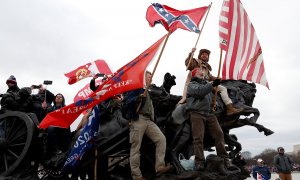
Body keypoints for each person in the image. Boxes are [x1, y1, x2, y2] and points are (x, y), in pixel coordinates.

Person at [123, 71, 171, 180]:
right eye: (149, 76)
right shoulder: (136, 88)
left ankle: (159, 167)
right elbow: (126, 102)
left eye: (151, 76)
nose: (151, 78)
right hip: (138, 119)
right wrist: (137, 98)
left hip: (149, 120)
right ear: (143, 77)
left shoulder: (147, 90)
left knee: (161, 139)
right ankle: (137, 176)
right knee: (136, 148)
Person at [186, 67, 232, 172]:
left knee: (219, 134)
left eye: (202, 72)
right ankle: (199, 162)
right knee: (198, 138)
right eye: (198, 72)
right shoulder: (192, 85)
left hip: (210, 114)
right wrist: (212, 84)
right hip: (197, 113)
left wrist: (216, 83)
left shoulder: (206, 84)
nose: (201, 73)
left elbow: (210, 95)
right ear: (193, 75)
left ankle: (225, 160)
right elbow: (200, 92)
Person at [179, 48, 243, 116]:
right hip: (195, 85)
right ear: (199, 56)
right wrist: (191, 53)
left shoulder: (207, 68)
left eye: (206, 55)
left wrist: (220, 78)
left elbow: (210, 77)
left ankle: (229, 107)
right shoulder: (195, 62)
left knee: (223, 88)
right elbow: (189, 64)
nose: (204, 55)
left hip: (205, 84)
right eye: (203, 54)